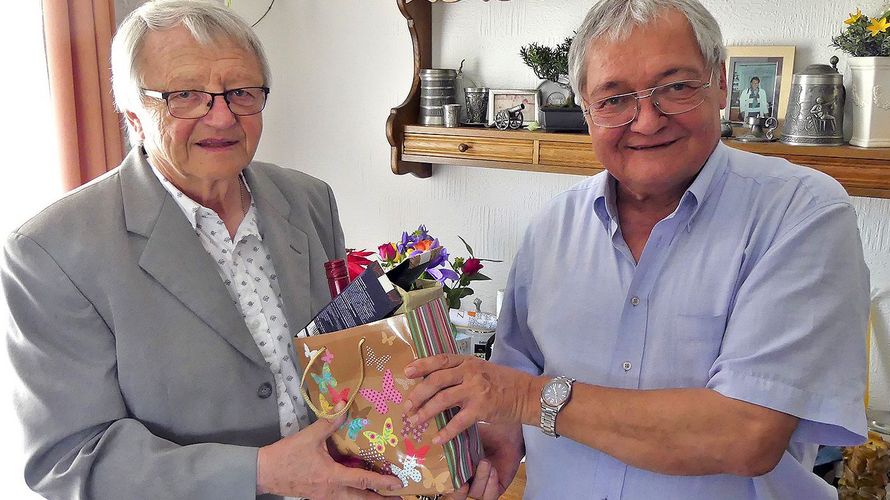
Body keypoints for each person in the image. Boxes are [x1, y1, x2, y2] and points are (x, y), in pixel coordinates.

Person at [402, 1, 869, 499]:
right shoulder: (552, 227)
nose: (647, 121)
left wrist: (524, 398)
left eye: (676, 88)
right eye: (614, 99)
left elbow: (745, 435)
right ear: (585, 110)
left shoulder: (801, 212)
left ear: (721, 84)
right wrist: (490, 448)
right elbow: (517, 380)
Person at [2, 1, 402, 499]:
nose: (221, 117)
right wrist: (260, 473)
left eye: (241, 93)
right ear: (134, 113)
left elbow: (343, 350)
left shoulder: (308, 200)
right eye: (186, 95)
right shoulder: (50, 251)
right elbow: (71, 458)